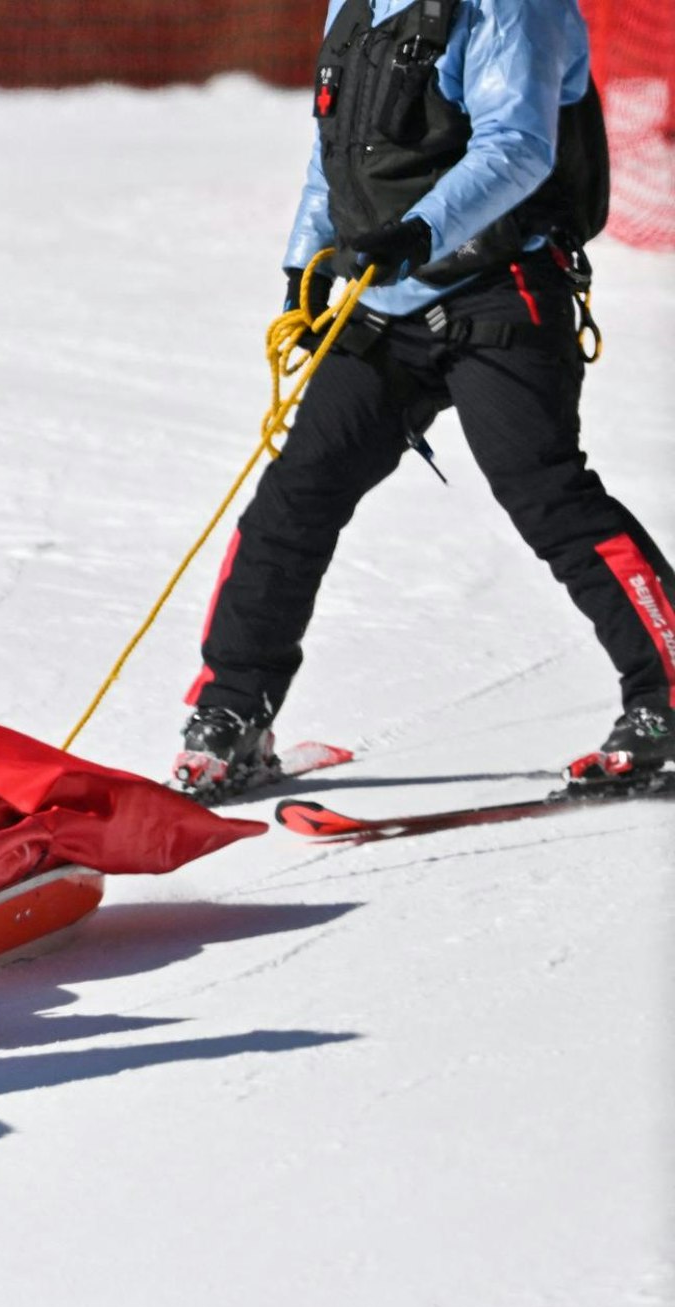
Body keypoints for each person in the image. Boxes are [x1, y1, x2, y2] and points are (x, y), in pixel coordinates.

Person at [173, 0, 675, 800]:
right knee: (296, 495)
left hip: (501, 290)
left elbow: (518, 147)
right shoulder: (357, 4)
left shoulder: (514, 7)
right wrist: (304, 263)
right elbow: (333, 150)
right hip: (386, 303)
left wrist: (416, 233)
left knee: (544, 491)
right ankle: (231, 715)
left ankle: (666, 698)